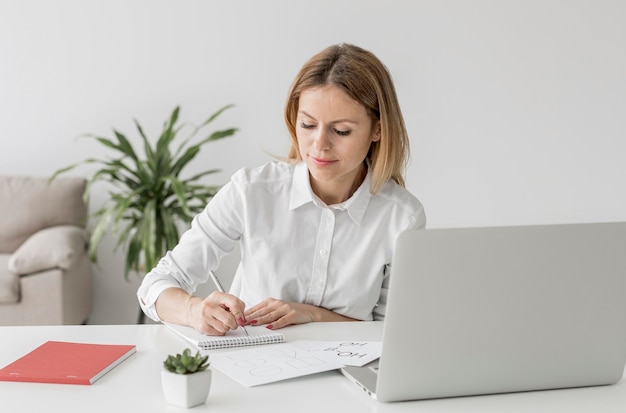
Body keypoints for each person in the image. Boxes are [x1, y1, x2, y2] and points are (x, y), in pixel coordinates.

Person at [137, 43, 426, 335]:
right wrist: (194, 310)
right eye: (308, 124)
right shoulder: (252, 191)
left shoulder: (402, 216)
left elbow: (391, 333)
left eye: (341, 131)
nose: (319, 144)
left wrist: (312, 315)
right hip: (251, 367)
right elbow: (156, 285)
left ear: (378, 129)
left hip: (347, 374)